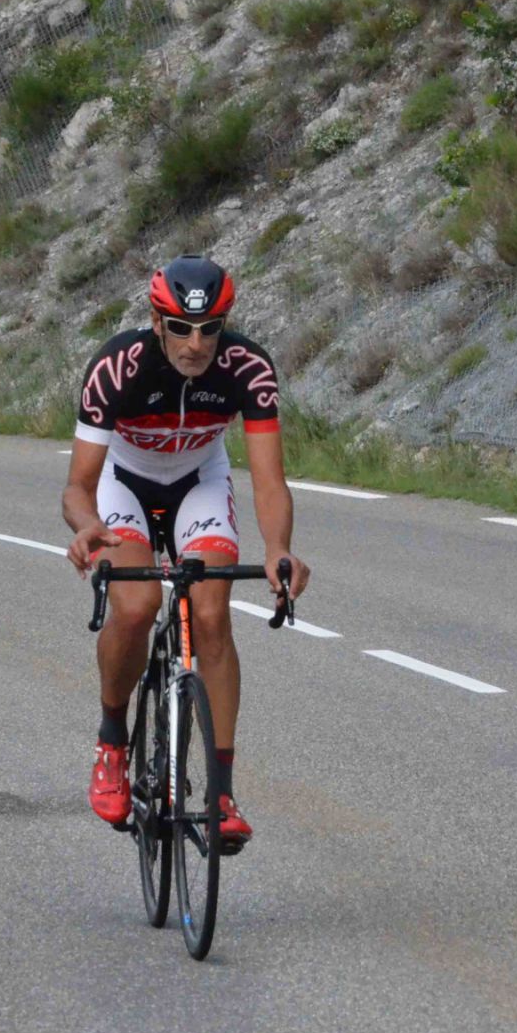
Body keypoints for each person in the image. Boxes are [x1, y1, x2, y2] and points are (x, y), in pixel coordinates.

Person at [62, 255, 309, 852]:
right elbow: (78, 485)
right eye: (180, 328)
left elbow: (269, 482)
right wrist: (88, 525)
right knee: (136, 606)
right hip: (123, 482)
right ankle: (112, 740)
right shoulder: (117, 366)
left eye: (209, 329)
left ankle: (221, 794)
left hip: (200, 480)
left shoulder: (249, 367)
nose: (195, 344)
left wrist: (279, 549)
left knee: (212, 613)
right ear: (157, 321)